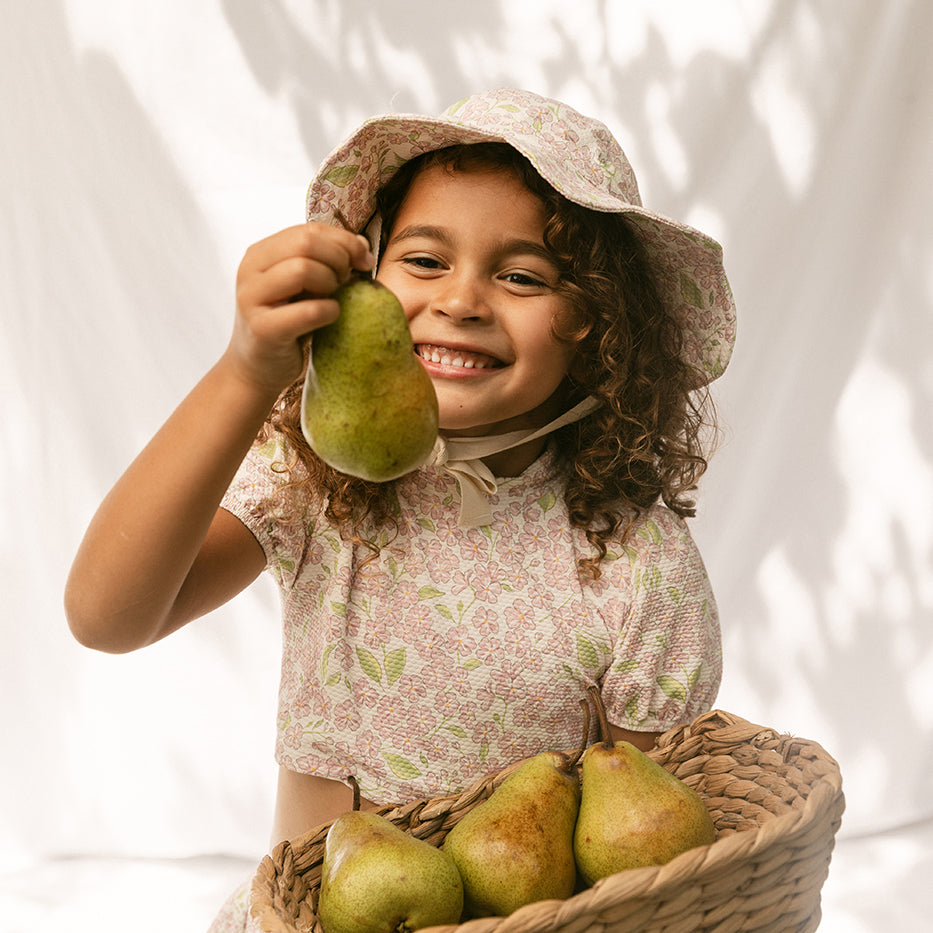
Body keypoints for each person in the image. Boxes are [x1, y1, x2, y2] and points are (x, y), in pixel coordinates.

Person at [64, 87, 736, 929]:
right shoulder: (314, 483)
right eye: (422, 261)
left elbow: (646, 854)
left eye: (522, 275)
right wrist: (247, 372)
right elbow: (107, 615)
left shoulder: (636, 556)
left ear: (596, 326)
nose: (459, 299)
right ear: (364, 281)